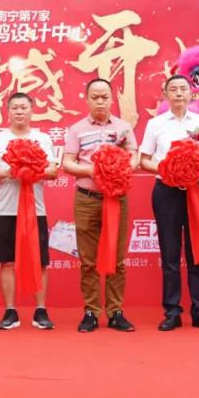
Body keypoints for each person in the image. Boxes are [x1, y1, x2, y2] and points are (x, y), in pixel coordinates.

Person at [139, 74, 199, 332]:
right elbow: (144, 160)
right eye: (173, 89)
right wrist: (169, 169)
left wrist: (195, 167)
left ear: (190, 93)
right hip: (167, 191)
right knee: (170, 253)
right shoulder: (155, 124)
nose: (178, 93)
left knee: (197, 251)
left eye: (183, 89)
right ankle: (172, 312)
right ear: (165, 94)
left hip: (196, 189)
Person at [62, 78, 138, 333]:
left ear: (112, 99)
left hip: (116, 198)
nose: (100, 101)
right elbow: (67, 163)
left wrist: (122, 168)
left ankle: (115, 312)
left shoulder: (123, 128)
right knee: (88, 260)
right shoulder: (77, 129)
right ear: (87, 100)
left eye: (104, 97)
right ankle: (91, 312)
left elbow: (134, 157)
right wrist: (93, 170)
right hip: (87, 199)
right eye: (95, 97)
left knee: (117, 258)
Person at [0, 93, 59, 330]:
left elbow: (53, 171)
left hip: (36, 211)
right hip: (5, 210)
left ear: (31, 111)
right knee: (6, 262)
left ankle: (41, 311)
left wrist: (31, 169)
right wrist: (11, 171)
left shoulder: (42, 139)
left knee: (40, 261)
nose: (19, 111)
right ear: (7, 112)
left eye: (23, 107)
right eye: (14, 107)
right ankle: (10, 311)